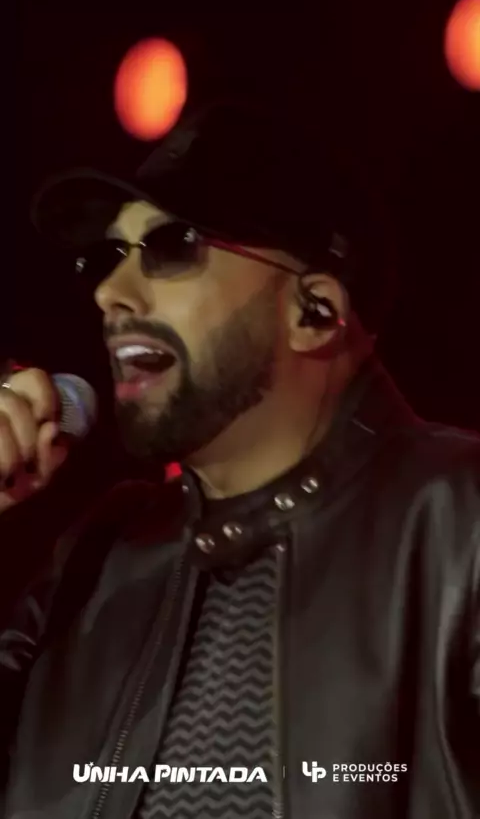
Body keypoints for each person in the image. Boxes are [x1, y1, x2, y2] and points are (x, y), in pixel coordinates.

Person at [1, 102, 479, 819]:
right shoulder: (96, 559)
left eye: (172, 245)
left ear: (314, 311)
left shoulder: (460, 520)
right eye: (107, 258)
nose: (110, 293)